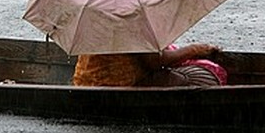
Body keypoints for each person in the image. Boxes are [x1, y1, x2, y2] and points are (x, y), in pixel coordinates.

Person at [72, 42, 227, 87]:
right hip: (123, 84)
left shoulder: (98, 10)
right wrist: (193, 50)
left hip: (84, 81)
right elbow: (155, 62)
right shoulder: (131, 15)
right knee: (203, 78)